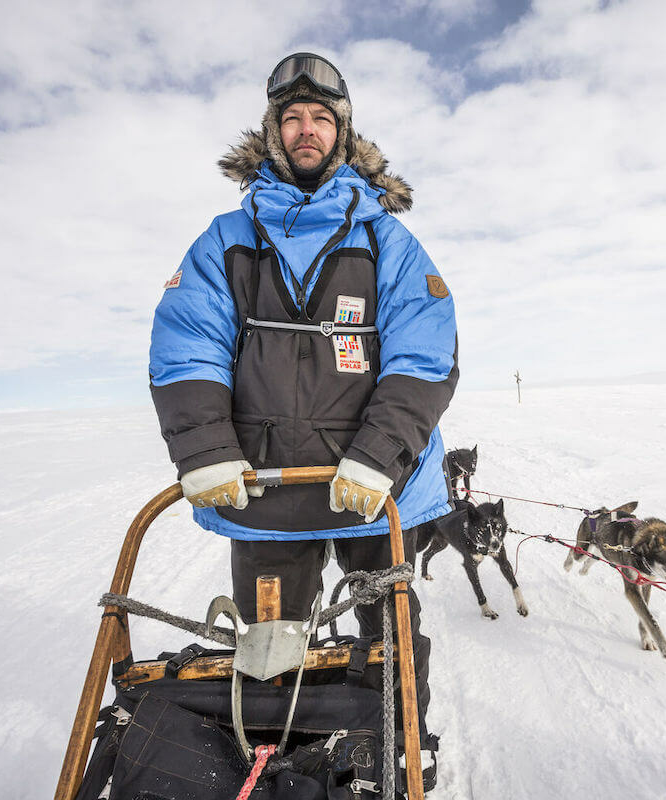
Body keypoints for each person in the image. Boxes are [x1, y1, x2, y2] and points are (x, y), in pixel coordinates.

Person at [148, 51, 457, 787]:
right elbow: (188, 342)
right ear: (274, 134)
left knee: (388, 636)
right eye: (293, 119)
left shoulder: (388, 241)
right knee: (269, 650)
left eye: (322, 118)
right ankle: (281, 762)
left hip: (377, 490)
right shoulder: (227, 239)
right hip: (263, 492)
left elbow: (424, 351)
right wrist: (204, 449)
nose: (307, 129)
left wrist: (381, 454)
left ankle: (403, 747)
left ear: (342, 135)